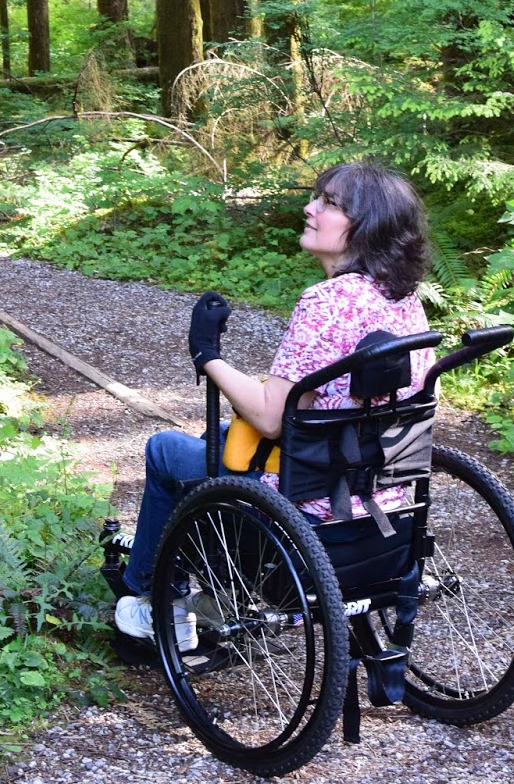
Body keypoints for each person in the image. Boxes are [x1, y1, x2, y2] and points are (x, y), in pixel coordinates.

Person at [114, 162, 434, 642]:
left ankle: (152, 598)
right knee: (215, 441)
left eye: (329, 203)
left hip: (305, 498)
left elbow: (268, 417)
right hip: (375, 489)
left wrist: (207, 355)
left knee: (164, 449)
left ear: (364, 226)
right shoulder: (402, 299)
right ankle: (219, 589)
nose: (310, 208)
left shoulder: (324, 302)